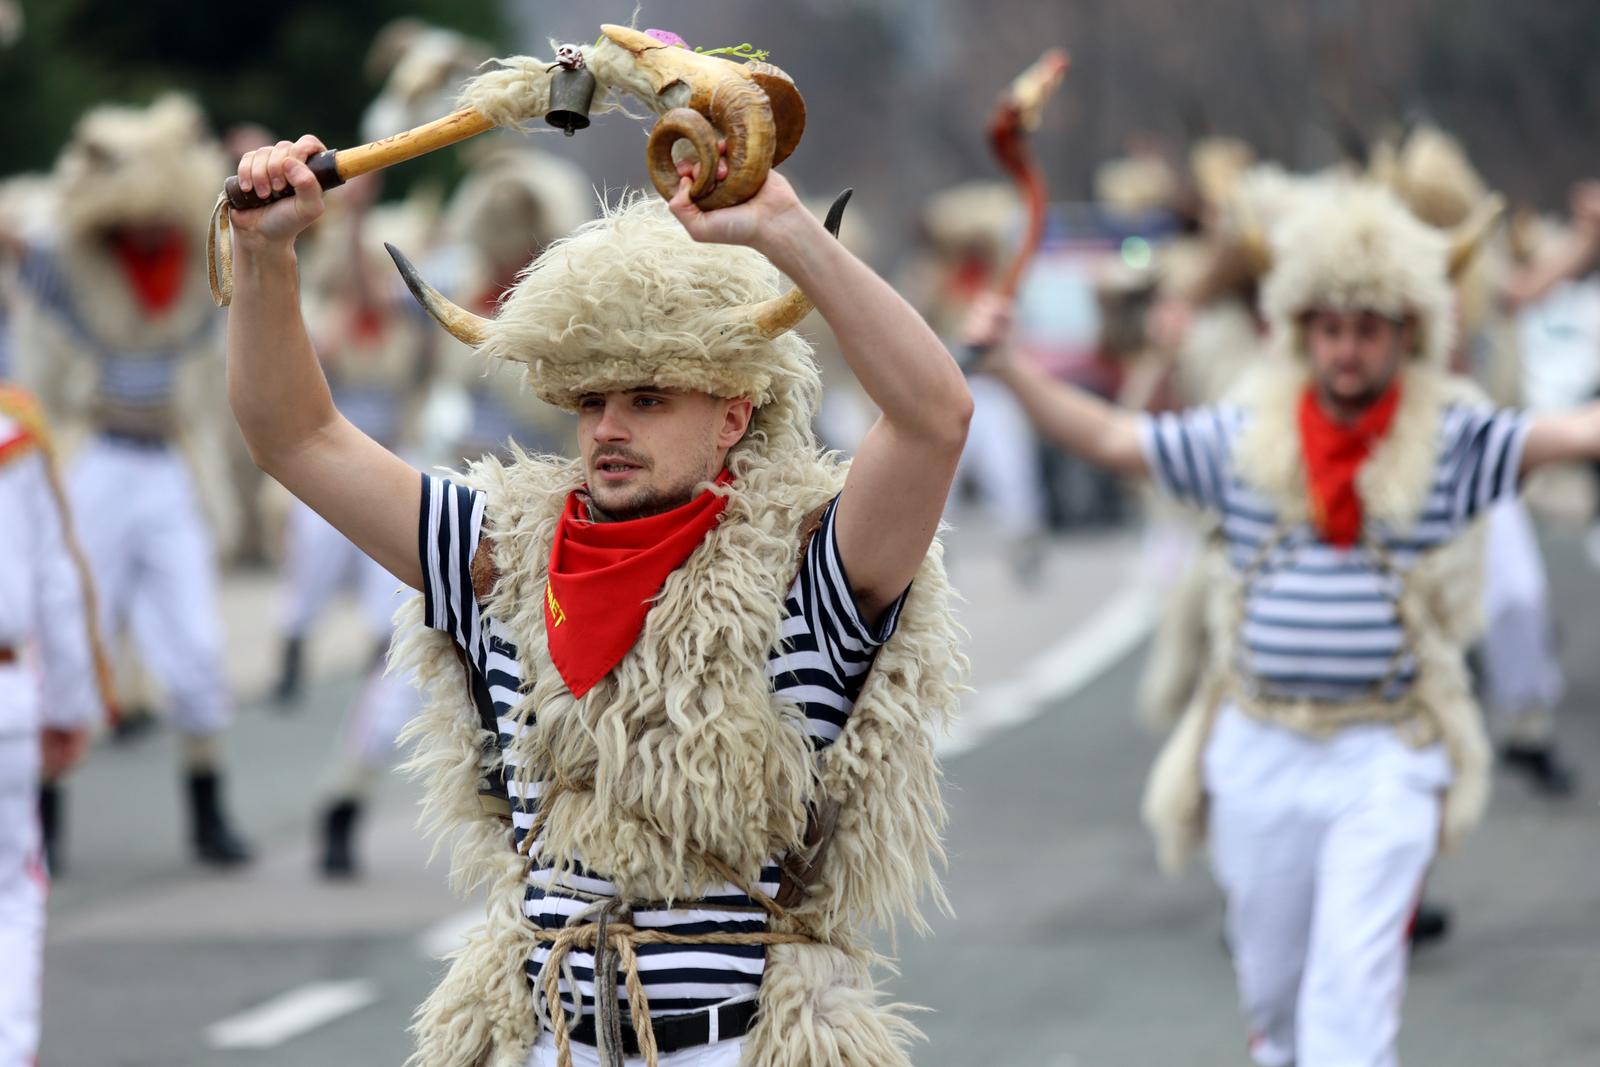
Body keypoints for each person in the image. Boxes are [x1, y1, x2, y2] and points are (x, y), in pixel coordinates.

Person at [224, 132, 969, 1067]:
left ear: (734, 412)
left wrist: (785, 231)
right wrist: (264, 255)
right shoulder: (496, 555)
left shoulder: (806, 569)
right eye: (590, 400)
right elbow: (293, 435)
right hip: (549, 1043)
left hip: (730, 1049)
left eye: (650, 399)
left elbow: (936, 420)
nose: (609, 428)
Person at [968, 182, 1600, 1067]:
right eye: (1331, 327)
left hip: (1389, 750)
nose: (1347, 349)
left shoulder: (1453, 436)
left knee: (1353, 995)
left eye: (1369, 328)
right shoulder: (1242, 435)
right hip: (1257, 745)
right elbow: (1116, 443)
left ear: (1407, 334)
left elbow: (1574, 433)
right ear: (1301, 329)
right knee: (1276, 996)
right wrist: (1010, 368)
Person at [4, 95, 251, 865]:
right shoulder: (66, 263)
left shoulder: (202, 261)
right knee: (73, 631)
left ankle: (207, 804)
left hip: (170, 463)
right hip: (94, 462)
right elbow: (32, 238)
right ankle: (43, 815)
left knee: (198, 645)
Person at [0, 384, 106, 1063]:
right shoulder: (14, 427)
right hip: (5, 692)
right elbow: (52, 578)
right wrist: (67, 703)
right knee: (9, 896)